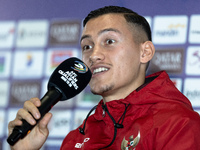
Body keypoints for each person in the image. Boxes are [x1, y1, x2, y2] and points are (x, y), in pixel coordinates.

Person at [8, 6, 200, 150]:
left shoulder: (179, 125)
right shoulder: (75, 138)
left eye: (109, 41)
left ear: (145, 52)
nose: (94, 55)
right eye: (87, 46)